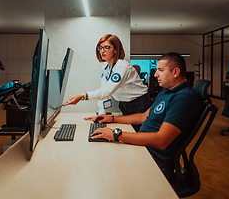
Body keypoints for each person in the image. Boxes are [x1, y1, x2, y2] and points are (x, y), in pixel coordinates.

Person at [84, 52, 204, 184]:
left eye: (160, 70)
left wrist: (116, 134)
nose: (155, 74)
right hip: (143, 148)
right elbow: (143, 117)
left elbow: (161, 140)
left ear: (175, 72)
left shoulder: (183, 98)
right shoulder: (166, 91)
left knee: (98, 166)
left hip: (152, 158)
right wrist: (111, 119)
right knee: (96, 153)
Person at [66, 34, 152, 118]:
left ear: (115, 49)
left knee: (137, 131)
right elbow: (104, 93)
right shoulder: (106, 68)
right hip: (124, 105)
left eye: (107, 47)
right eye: (100, 47)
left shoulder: (122, 67)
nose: (102, 51)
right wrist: (101, 115)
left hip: (140, 104)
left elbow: (105, 92)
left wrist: (82, 96)